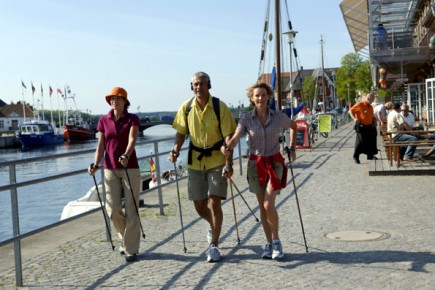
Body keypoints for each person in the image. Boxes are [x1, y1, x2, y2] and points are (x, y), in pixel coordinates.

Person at [222, 82, 296, 260]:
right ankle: (268, 243)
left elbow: (295, 126)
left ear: (268, 97)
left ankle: (277, 242)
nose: (261, 98)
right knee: (262, 208)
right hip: (255, 165)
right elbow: (236, 137)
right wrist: (227, 147)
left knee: (268, 204)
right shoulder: (247, 119)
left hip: (274, 162)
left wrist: (292, 146)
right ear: (252, 98)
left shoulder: (278, 117)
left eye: (263, 95)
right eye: (257, 96)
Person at [169, 72, 236, 263]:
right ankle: (213, 226)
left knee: (214, 201)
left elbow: (228, 137)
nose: (199, 87)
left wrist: (229, 161)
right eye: (195, 84)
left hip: (217, 160)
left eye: (202, 84)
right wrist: (175, 150)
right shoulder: (186, 108)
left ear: (209, 85)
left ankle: (214, 245)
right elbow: (181, 133)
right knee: (199, 205)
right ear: (192, 87)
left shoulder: (219, 106)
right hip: (195, 161)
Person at [88, 87, 141, 262]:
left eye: (117, 98)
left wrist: (126, 154)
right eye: (111, 98)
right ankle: (125, 239)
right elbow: (101, 146)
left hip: (129, 167)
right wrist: (96, 164)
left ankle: (131, 249)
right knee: (113, 210)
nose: (114, 101)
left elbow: (132, 140)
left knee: (132, 209)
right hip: (109, 168)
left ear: (125, 101)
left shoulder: (132, 119)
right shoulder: (103, 120)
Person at [349, 93, 377, 164]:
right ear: (368, 99)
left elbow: (371, 116)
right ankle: (356, 156)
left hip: (369, 126)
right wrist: (354, 119)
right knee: (360, 142)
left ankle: (370, 155)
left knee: (370, 141)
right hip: (361, 126)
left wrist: (374, 120)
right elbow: (350, 111)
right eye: (372, 100)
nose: (373, 101)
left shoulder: (370, 107)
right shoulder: (360, 104)